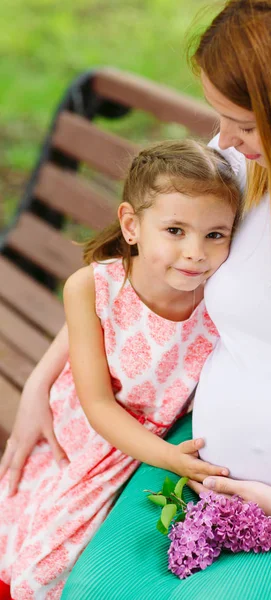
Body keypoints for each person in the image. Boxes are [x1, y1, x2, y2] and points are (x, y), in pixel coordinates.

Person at [59, 1, 271, 598]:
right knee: (90, 590)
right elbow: (130, 274)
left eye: (241, 121)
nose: (224, 139)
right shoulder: (239, 175)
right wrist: (43, 384)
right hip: (196, 472)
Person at [0, 139, 242, 599]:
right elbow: (95, 404)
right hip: (89, 438)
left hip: (161, 443)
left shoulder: (223, 298)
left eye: (215, 235)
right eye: (174, 230)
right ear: (131, 224)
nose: (195, 252)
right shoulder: (94, 287)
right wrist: (170, 458)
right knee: (35, 562)